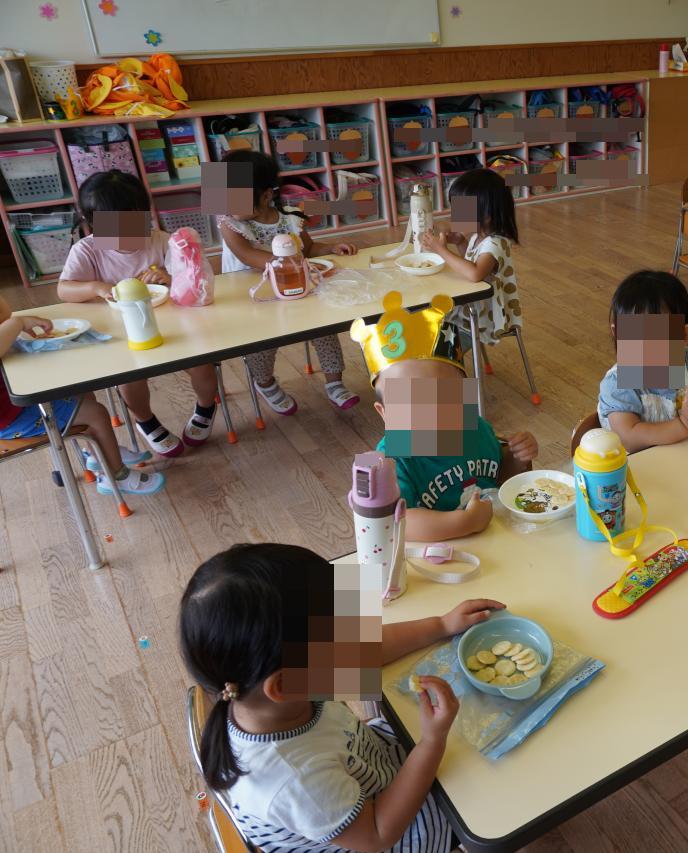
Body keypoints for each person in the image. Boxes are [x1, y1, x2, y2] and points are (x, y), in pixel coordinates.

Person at [180, 541, 503, 852]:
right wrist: (432, 742)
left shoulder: (274, 688)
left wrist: (441, 625)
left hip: (371, 763)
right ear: (284, 684)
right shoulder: (296, 781)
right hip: (391, 831)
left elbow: (366, 650)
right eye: (339, 635)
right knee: (496, 802)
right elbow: (378, 834)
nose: (356, 640)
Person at [58, 169, 219, 457]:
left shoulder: (162, 241)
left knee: (202, 364)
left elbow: (191, 279)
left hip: (172, 325)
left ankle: (206, 407)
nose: (126, 236)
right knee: (129, 378)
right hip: (122, 333)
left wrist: (170, 278)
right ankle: (145, 420)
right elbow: (64, 290)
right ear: (92, 224)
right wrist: (95, 287)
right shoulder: (88, 250)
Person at [355, 293, 538, 542]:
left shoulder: (477, 429)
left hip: (496, 541)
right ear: (384, 413)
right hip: (439, 554)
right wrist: (467, 522)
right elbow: (399, 521)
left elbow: (498, 480)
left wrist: (517, 458)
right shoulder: (391, 460)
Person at [217, 150, 361, 417]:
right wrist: (290, 263)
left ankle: (335, 382)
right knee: (261, 343)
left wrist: (331, 247)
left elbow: (309, 248)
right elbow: (247, 256)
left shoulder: (291, 217)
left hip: (297, 288)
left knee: (324, 329)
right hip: (255, 298)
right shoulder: (231, 224)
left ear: (265, 196)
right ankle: (265, 383)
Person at [0, 294, 163, 495]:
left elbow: (4, 315)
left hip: (14, 400)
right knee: (96, 414)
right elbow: (8, 319)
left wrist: (14, 323)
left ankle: (99, 453)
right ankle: (116, 476)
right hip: (11, 419)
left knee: (80, 388)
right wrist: (17, 323)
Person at [598, 271, 688, 452]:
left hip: (685, 455)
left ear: (683, 335)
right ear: (617, 333)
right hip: (636, 466)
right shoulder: (618, 383)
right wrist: (685, 425)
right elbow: (628, 438)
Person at [418, 168, 522, 350]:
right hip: (473, 307)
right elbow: (472, 263)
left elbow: (475, 273)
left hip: (484, 319)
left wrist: (440, 249)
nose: (454, 217)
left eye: (461, 212)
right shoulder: (478, 236)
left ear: (487, 216)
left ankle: (446, 362)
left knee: (431, 329)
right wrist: (460, 242)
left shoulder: (495, 243)